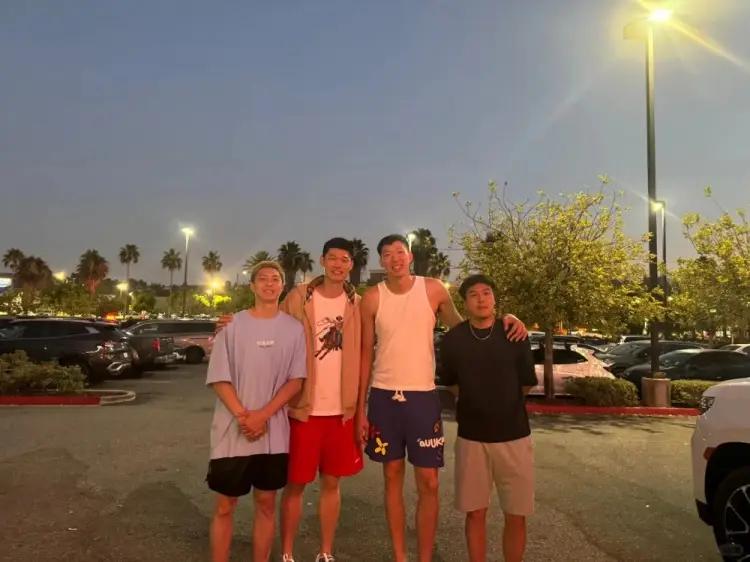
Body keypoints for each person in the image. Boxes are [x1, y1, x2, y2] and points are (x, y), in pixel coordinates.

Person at [357, 234, 528, 562]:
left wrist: (508, 318)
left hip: (422, 398)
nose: (395, 258)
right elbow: (365, 352)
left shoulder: (433, 289)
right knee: (391, 477)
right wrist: (360, 409)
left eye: (400, 252)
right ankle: (399, 556)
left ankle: (424, 558)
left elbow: (466, 329)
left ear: (410, 257)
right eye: (387, 254)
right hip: (383, 396)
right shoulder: (372, 298)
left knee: (429, 483)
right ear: (381, 261)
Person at [217, 238, 363, 562]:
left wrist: (361, 409)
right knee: (295, 485)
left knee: (332, 484)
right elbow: (267, 320)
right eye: (333, 258)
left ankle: (325, 551)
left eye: (345, 259)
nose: (338, 264)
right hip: (302, 409)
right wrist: (232, 323)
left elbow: (368, 351)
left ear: (351, 265)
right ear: (322, 260)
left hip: (341, 410)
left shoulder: (357, 302)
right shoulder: (299, 296)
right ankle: (286, 553)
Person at [206, 261, 307, 562]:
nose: (269, 284)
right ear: (252, 286)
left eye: (275, 279)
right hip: (231, 433)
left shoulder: (294, 329)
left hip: (273, 435)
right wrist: (244, 416)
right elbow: (219, 378)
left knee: (266, 503)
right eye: (262, 279)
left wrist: (262, 416)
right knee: (225, 505)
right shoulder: (231, 326)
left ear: (283, 286)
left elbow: (296, 380)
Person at [440, 274, 537, 562]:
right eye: (474, 294)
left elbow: (526, 383)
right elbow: (451, 383)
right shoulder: (453, 340)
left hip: (514, 436)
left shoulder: (514, 334)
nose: (481, 299)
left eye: (486, 293)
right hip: (472, 438)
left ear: (494, 298)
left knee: (516, 514)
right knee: (474, 513)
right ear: (465, 303)